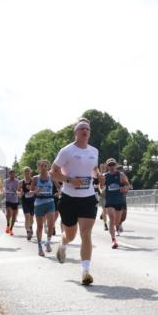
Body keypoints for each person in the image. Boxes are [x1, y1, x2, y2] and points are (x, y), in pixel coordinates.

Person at [51, 119, 100, 285]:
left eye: (88, 129)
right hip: (69, 198)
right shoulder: (67, 151)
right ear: (76, 132)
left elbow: (93, 169)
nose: (85, 131)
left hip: (88, 198)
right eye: (82, 128)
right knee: (71, 235)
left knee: (86, 233)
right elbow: (54, 172)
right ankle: (63, 244)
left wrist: (98, 176)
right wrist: (69, 180)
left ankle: (85, 271)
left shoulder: (94, 151)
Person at [100, 158, 130, 249]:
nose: (112, 166)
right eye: (110, 165)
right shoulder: (105, 176)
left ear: (116, 165)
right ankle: (113, 240)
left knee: (116, 222)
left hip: (119, 201)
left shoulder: (121, 175)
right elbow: (101, 187)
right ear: (107, 166)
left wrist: (125, 188)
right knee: (112, 219)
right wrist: (102, 190)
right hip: (109, 201)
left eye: (113, 165)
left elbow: (127, 185)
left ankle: (117, 226)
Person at [32, 160, 57, 257]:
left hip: (50, 202)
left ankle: (48, 242)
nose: (43, 167)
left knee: (51, 225)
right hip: (39, 203)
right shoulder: (35, 178)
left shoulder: (52, 177)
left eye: (45, 166)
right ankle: (39, 247)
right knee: (40, 227)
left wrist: (59, 192)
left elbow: (59, 187)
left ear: (48, 167)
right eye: (41, 166)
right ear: (38, 167)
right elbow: (31, 190)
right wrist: (36, 191)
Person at [19, 167, 36, 240]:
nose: (27, 173)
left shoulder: (33, 181)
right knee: (27, 216)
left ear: (30, 172)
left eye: (28, 171)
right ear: (24, 173)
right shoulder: (21, 182)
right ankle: (28, 231)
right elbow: (18, 191)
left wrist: (32, 189)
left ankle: (30, 227)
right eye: (26, 171)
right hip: (25, 201)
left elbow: (38, 189)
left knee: (31, 218)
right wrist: (20, 193)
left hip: (32, 201)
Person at [3, 169, 20, 235]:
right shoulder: (5, 181)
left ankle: (11, 229)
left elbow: (19, 189)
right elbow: (4, 188)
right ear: (9, 174)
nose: (12, 175)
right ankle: (7, 225)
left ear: (14, 174)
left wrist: (18, 192)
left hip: (15, 200)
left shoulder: (17, 181)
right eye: (11, 174)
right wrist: (4, 191)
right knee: (9, 213)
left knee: (14, 216)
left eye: (13, 174)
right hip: (8, 199)